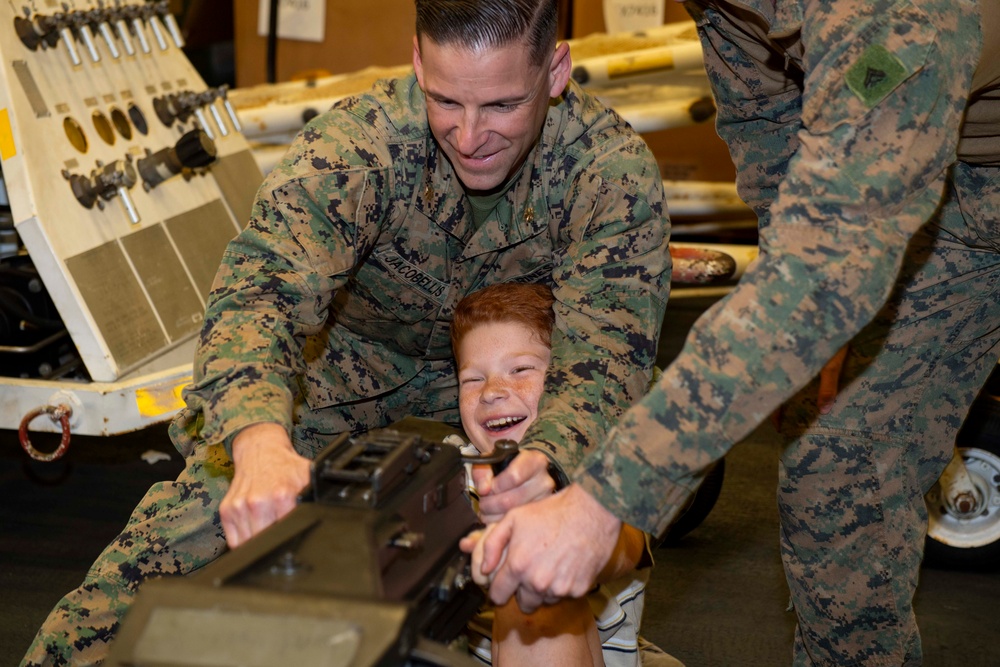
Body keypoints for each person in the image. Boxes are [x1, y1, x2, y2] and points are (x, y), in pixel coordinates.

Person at [20, 0, 670, 664]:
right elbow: (258, 293)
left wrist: (550, 465)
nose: (469, 134)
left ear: (555, 71)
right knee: (178, 540)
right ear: (417, 61)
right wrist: (260, 440)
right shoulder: (359, 147)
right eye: (445, 100)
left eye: (501, 105)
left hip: (508, 392)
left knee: (557, 542)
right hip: (343, 381)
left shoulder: (609, 173)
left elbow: (606, 361)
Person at [468, 1, 1000, 665]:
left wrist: (604, 499)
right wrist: (808, 323)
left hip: (933, 172)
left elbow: (827, 261)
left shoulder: (892, 11)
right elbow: (768, 118)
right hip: (946, 191)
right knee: (836, 471)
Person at [449, 282, 659, 667]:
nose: (492, 391)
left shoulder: (601, 468)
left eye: (520, 369)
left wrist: (561, 535)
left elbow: (627, 544)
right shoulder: (447, 468)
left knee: (533, 594)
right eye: (472, 379)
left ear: (567, 383)